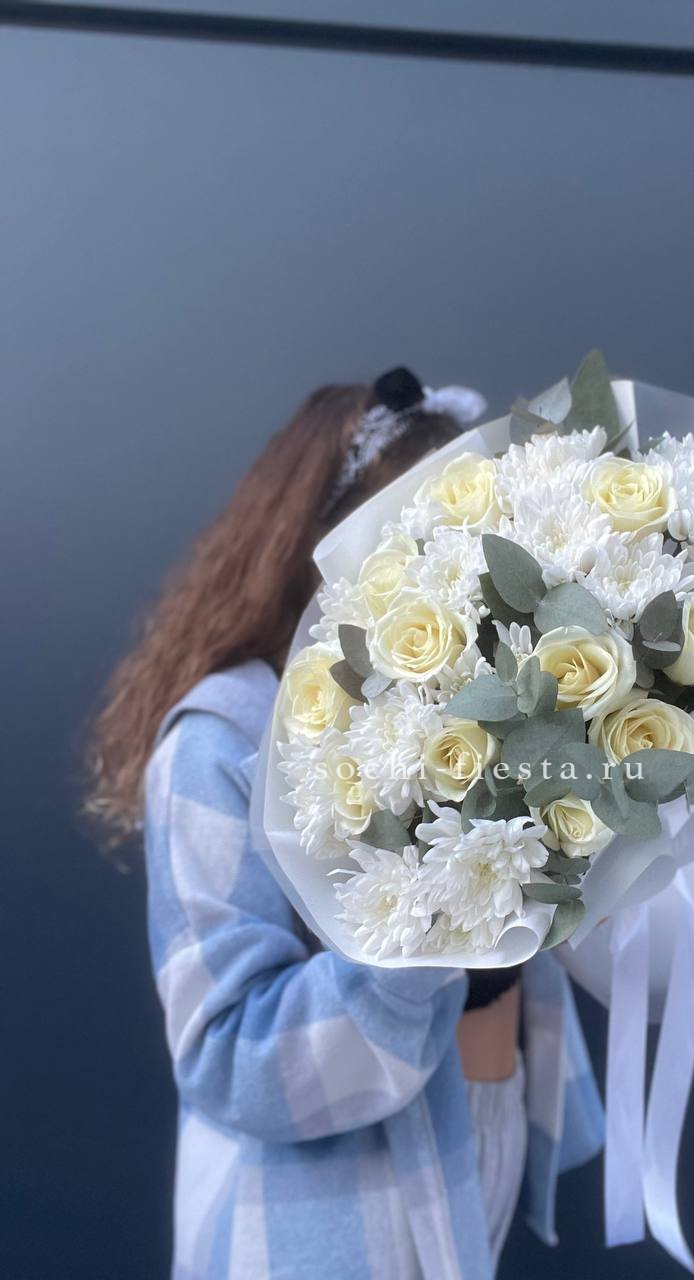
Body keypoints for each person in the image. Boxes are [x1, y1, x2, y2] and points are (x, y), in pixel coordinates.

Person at [83, 369, 605, 1280]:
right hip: (312, 1234)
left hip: (461, 1155)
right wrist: (431, 924)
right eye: (412, 535)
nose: (451, 564)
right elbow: (229, 1055)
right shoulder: (219, 744)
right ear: (320, 544)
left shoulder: (460, 702)